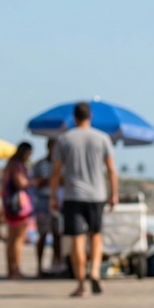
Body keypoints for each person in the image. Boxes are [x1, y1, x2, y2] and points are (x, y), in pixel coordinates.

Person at [49, 101, 117, 297]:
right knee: (96, 235)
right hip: (97, 195)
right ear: (90, 117)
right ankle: (94, 271)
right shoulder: (103, 138)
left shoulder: (64, 139)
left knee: (77, 240)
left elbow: (56, 172)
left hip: (73, 195)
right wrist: (113, 194)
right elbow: (111, 170)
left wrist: (53, 196)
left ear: (74, 118)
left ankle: (81, 284)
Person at [0, 141, 33, 278]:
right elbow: (21, 183)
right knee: (18, 239)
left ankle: (11, 270)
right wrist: (35, 181)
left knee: (11, 239)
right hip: (19, 206)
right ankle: (16, 269)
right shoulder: (18, 165)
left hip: (9, 204)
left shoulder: (9, 165)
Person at [31, 138, 62, 275]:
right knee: (42, 234)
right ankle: (39, 266)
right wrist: (53, 179)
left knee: (57, 235)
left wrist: (53, 179)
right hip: (43, 202)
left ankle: (57, 264)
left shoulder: (62, 164)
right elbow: (35, 182)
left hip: (58, 203)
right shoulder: (40, 164)